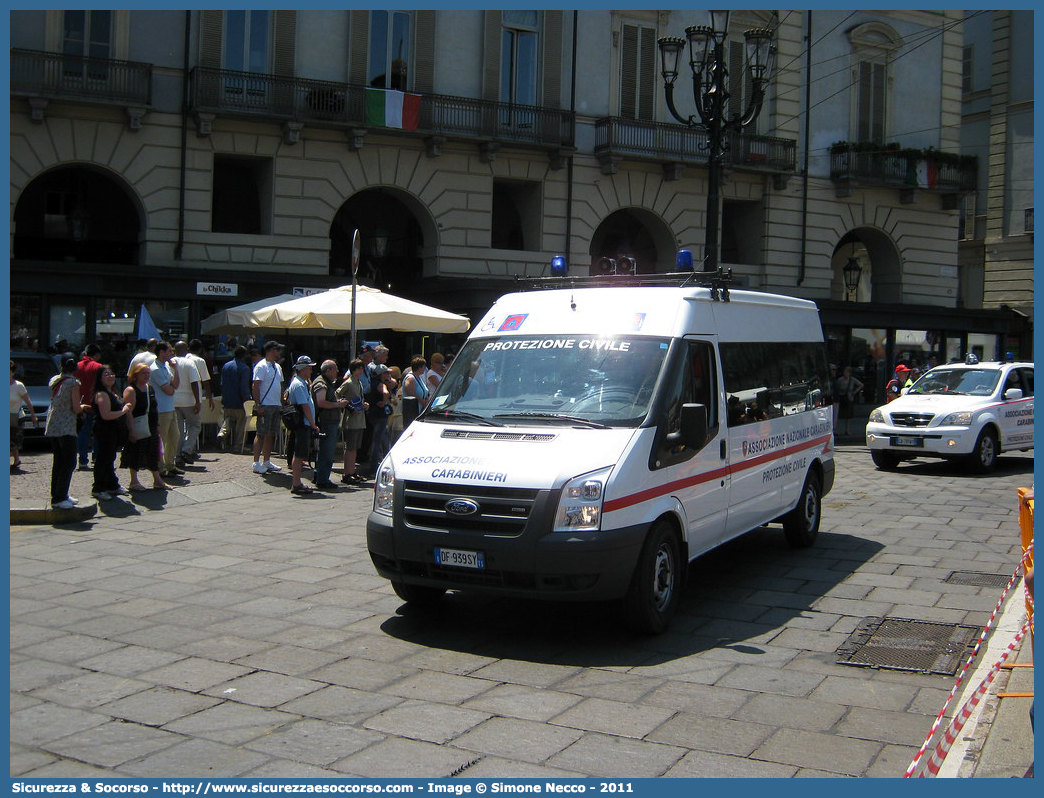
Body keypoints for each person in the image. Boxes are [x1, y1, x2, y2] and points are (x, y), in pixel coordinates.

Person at [45, 355, 87, 509]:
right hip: (66, 425)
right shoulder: (73, 383)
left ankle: (59, 494)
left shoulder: (55, 380)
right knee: (69, 462)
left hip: (53, 424)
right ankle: (59, 497)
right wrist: (83, 408)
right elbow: (76, 407)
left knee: (58, 461)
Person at [121, 362, 166, 491]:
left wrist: (157, 425)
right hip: (138, 425)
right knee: (135, 452)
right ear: (136, 375)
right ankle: (134, 482)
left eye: (148, 373)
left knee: (153, 452)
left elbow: (154, 407)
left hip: (151, 426)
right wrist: (131, 431)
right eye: (144, 373)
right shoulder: (131, 390)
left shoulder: (149, 388)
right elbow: (129, 412)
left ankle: (157, 480)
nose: (147, 376)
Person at [90, 365, 132, 500]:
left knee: (110, 458)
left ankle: (112, 484)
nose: (110, 376)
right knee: (103, 459)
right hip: (105, 430)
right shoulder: (101, 394)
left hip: (114, 430)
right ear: (100, 378)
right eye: (106, 374)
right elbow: (106, 415)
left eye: (112, 373)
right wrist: (124, 410)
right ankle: (98, 488)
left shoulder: (113, 391)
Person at [311, 359, 348, 490]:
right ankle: (322, 480)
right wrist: (338, 404)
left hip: (330, 421)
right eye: (335, 368)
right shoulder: (321, 383)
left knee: (327, 452)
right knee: (326, 452)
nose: (337, 371)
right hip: (326, 422)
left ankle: (322, 477)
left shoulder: (327, 382)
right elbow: (321, 402)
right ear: (328, 370)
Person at [150, 342, 182, 478]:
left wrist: (176, 370)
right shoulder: (155, 369)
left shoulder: (167, 367)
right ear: (162, 352)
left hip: (170, 407)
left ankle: (170, 464)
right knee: (161, 439)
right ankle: (159, 466)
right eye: (169, 351)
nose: (172, 353)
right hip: (161, 409)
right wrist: (172, 387)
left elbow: (175, 384)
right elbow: (169, 390)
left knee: (175, 436)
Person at [252, 340, 284, 474]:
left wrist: (282, 401)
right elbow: (256, 386)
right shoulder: (261, 366)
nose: (279, 352)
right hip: (265, 405)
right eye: (277, 350)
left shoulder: (277, 367)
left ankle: (267, 460)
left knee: (271, 434)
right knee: (261, 433)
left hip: (276, 404)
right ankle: (256, 462)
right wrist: (258, 404)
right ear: (271, 350)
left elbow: (281, 385)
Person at [287, 355, 318, 494]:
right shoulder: (299, 384)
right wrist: (313, 424)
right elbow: (304, 406)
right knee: (299, 454)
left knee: (299, 454)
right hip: (302, 423)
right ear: (304, 369)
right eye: (310, 368)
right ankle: (296, 483)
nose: (311, 371)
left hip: (302, 423)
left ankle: (297, 482)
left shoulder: (301, 382)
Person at [336, 359, 368, 484]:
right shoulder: (348, 383)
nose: (361, 371)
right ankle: (347, 473)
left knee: (354, 448)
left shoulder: (359, 383)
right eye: (358, 368)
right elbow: (337, 395)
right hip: (351, 419)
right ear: (353, 370)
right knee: (350, 447)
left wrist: (365, 404)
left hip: (360, 418)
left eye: (362, 368)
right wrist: (348, 407)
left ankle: (352, 471)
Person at [172, 340, 203, 468]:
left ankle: (177, 456)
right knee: (194, 425)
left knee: (179, 430)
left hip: (174, 400)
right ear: (187, 350)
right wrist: (197, 401)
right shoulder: (189, 363)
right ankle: (187, 449)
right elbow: (194, 382)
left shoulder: (170, 363)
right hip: (188, 400)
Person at [74, 343, 104, 470]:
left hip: (81, 403)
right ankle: (96, 458)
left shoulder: (77, 366)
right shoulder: (99, 367)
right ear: (96, 355)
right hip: (96, 403)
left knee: (83, 432)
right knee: (98, 432)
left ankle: (82, 460)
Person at [217, 345, 251, 452]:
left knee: (228, 420)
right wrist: (246, 399)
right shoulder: (244, 368)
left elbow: (222, 384)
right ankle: (238, 446)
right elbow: (244, 386)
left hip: (227, 399)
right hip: (239, 402)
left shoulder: (226, 366)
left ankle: (222, 434)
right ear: (244, 355)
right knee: (241, 425)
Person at [11, 359, 36, 471]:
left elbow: (28, 401)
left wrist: (32, 415)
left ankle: (16, 460)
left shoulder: (19, 386)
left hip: (16, 416)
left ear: (13, 373)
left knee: (13, 440)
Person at [367, 363, 393, 469]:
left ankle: (379, 463)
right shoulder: (381, 384)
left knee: (380, 438)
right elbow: (386, 393)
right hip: (380, 415)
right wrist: (384, 402)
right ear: (381, 374)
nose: (388, 375)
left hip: (372, 413)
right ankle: (375, 466)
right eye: (386, 373)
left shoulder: (372, 383)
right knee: (378, 441)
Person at [401, 355, 430, 428]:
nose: (425, 368)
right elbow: (411, 394)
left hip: (420, 409)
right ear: (419, 367)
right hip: (413, 411)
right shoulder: (410, 378)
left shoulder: (418, 377)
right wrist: (423, 402)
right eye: (424, 367)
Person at [835, 366, 864, 435]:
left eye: (847, 372)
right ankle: (837, 429)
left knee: (848, 415)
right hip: (842, 398)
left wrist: (854, 392)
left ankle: (847, 430)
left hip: (849, 398)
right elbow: (837, 387)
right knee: (839, 414)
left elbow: (861, 385)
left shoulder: (852, 380)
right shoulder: (840, 380)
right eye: (844, 372)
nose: (845, 373)